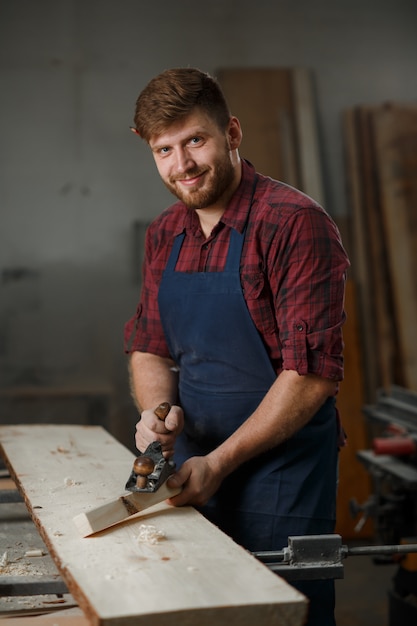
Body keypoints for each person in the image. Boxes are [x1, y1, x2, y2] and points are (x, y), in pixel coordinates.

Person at [124, 67, 350, 626]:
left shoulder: (294, 224)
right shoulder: (165, 233)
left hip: (282, 478)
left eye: (195, 140)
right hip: (193, 468)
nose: (183, 165)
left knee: (277, 615)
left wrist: (221, 463)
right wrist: (156, 416)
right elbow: (150, 345)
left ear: (233, 134)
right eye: (164, 150)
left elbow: (311, 375)